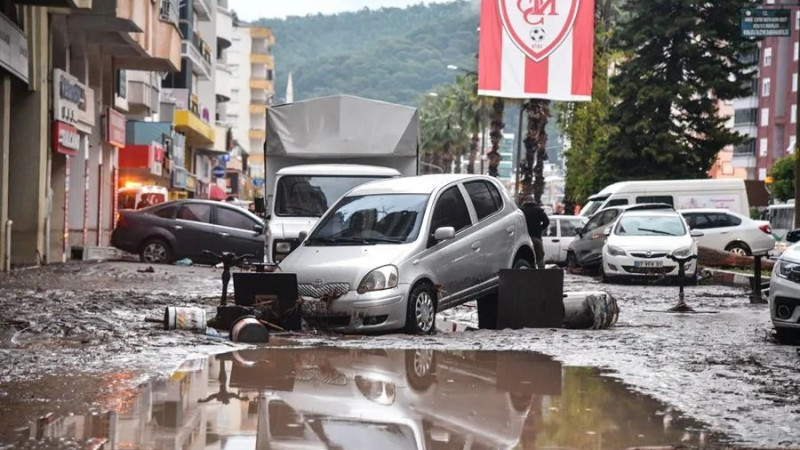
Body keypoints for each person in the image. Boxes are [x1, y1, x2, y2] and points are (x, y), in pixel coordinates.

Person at [520, 195, 549, 269]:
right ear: (533, 201)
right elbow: (546, 222)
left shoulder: (521, 211)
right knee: (540, 258)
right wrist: (540, 228)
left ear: (524, 202)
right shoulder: (539, 210)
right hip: (537, 237)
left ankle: (528, 276)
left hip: (524, 239)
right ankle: (542, 276)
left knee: (525, 258)